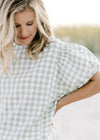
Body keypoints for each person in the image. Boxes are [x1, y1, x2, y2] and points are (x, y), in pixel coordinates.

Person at [0, 0, 100, 140]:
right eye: (16, 25)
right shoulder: (3, 52)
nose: (23, 31)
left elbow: (98, 81)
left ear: (39, 20)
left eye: (29, 23)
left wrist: (59, 104)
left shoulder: (56, 53)